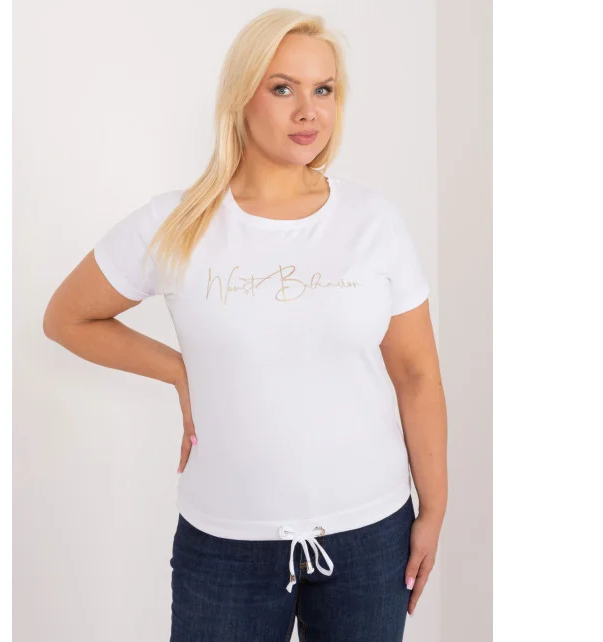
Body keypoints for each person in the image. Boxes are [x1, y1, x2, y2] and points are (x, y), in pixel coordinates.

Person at [43, 8, 448, 642]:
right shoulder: (176, 223)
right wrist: (181, 371)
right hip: (225, 547)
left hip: (370, 536)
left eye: (324, 90)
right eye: (282, 88)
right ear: (241, 98)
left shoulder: (374, 222)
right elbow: (67, 317)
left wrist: (435, 507)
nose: (308, 111)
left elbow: (417, 374)